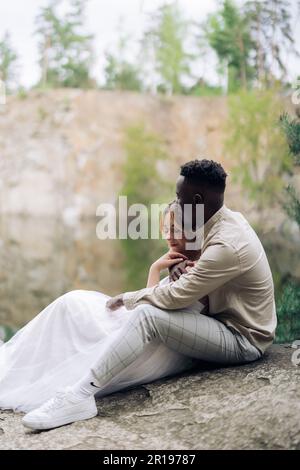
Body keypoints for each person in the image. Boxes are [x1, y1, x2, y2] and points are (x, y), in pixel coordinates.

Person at [6, 159, 277, 431]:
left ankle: (79, 396)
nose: (176, 203)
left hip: (241, 338)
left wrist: (128, 298)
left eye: (179, 198)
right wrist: (183, 272)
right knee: (73, 301)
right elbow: (196, 279)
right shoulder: (220, 223)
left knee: (146, 315)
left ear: (197, 199)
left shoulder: (227, 243)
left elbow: (177, 297)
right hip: (212, 319)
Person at [0, 201, 204, 422]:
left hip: (151, 344)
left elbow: (149, 314)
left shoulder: (201, 267)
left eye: (176, 229)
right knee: (70, 305)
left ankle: (28, 377)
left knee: (71, 310)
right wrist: (156, 268)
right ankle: (19, 366)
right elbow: (149, 301)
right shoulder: (179, 261)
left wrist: (159, 270)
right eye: (166, 229)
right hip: (141, 325)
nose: (170, 236)